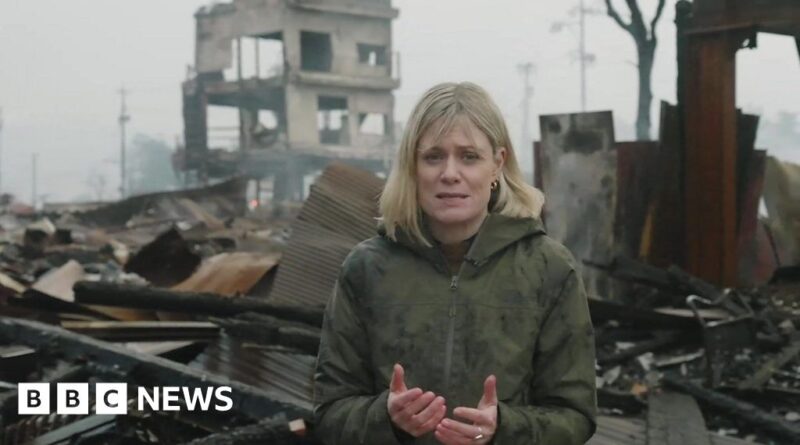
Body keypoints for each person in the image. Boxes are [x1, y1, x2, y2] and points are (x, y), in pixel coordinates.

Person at [313, 82, 597, 445]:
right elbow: (329, 412)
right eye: (433, 156)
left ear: (497, 164)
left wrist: (503, 429)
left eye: (469, 156)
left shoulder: (549, 268)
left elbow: (575, 416)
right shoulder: (366, 269)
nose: (450, 173)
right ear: (412, 167)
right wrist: (386, 420)